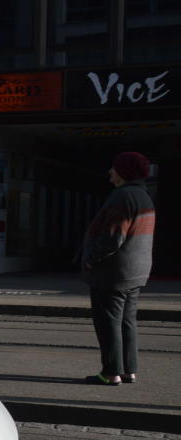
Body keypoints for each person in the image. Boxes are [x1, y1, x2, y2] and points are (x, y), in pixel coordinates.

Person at [81, 151, 155, 386]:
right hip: (136, 271)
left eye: (114, 168)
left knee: (108, 322)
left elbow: (113, 237)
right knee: (127, 321)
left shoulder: (122, 197)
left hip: (113, 272)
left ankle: (111, 372)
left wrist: (91, 259)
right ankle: (128, 370)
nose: (110, 172)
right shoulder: (144, 196)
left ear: (124, 171)